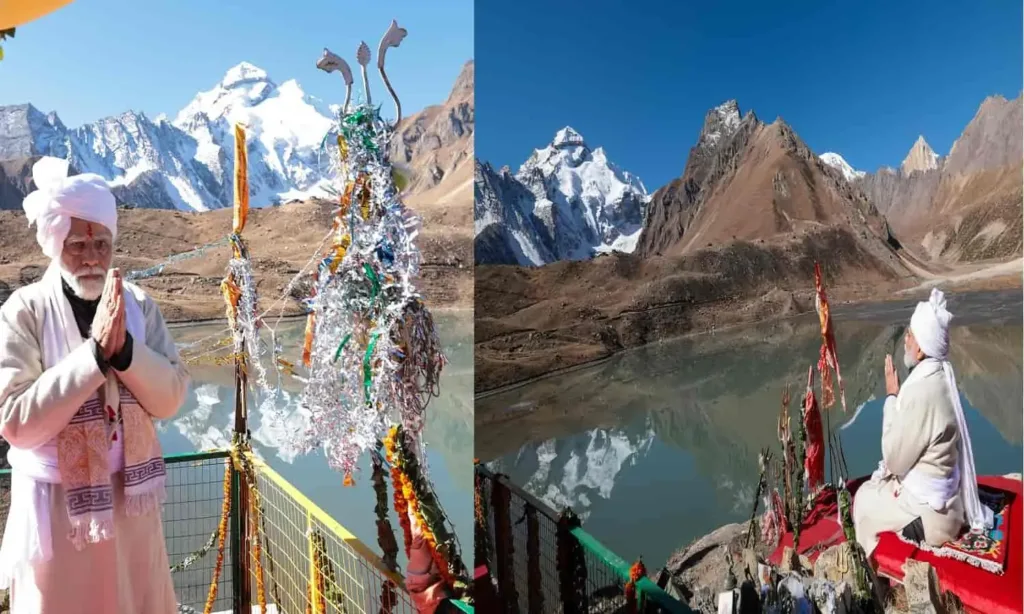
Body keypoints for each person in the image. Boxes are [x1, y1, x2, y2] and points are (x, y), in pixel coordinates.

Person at [0, 157, 189, 613]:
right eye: (77, 244)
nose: (91, 257)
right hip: (60, 508)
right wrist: (93, 357)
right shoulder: (24, 311)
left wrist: (126, 354)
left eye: (101, 244)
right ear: (54, 242)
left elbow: (172, 397)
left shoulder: (138, 306)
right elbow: (15, 422)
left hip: (131, 502)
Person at [852, 288, 992, 559]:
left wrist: (892, 396)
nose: (905, 340)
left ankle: (874, 582)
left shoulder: (921, 391)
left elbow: (894, 460)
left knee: (864, 501)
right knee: (876, 490)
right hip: (950, 505)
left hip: (931, 517)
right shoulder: (942, 378)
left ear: (920, 349)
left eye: (910, 335)